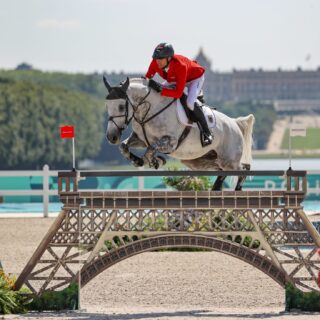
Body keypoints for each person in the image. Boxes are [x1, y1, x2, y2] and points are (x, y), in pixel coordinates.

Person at [145, 42, 213, 145]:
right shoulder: (155, 62)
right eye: (156, 58)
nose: (157, 61)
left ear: (168, 58)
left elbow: (177, 93)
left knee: (190, 103)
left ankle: (207, 133)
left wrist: (161, 89)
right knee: (157, 93)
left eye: (160, 59)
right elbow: (146, 79)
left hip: (194, 78)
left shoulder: (180, 66)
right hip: (175, 78)